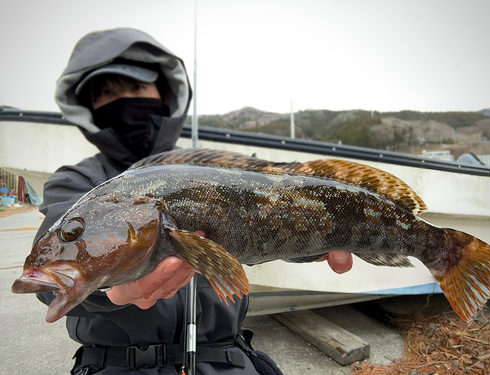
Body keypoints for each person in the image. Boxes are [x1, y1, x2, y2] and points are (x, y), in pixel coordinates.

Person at [35, 27, 353, 374]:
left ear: (165, 94)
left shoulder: (213, 170)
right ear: (89, 107)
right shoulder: (75, 183)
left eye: (137, 87)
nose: (123, 102)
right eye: (107, 92)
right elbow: (47, 278)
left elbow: (262, 226)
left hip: (228, 362)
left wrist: (315, 241)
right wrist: (104, 290)